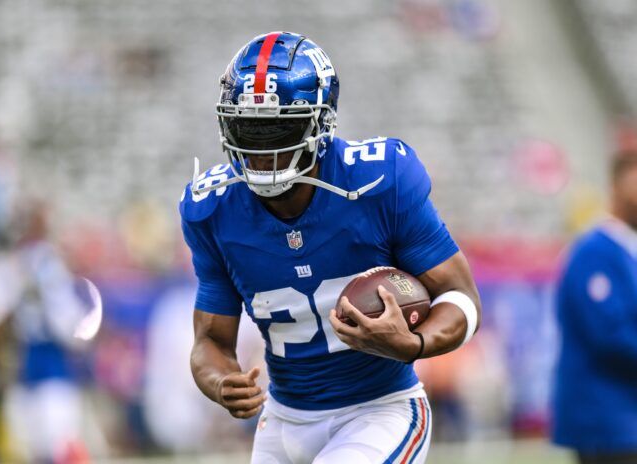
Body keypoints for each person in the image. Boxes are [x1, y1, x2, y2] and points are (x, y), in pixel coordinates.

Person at [179, 31, 482, 463]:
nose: (261, 151)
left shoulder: (380, 181)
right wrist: (221, 381)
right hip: (281, 419)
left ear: (320, 125)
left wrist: (413, 344)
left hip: (380, 410)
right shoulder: (211, 209)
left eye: (279, 129)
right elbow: (210, 340)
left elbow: (462, 298)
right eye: (248, 129)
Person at [552, 149, 637, 464]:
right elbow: (609, 336)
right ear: (616, 186)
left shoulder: (626, 250)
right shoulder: (595, 251)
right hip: (605, 418)